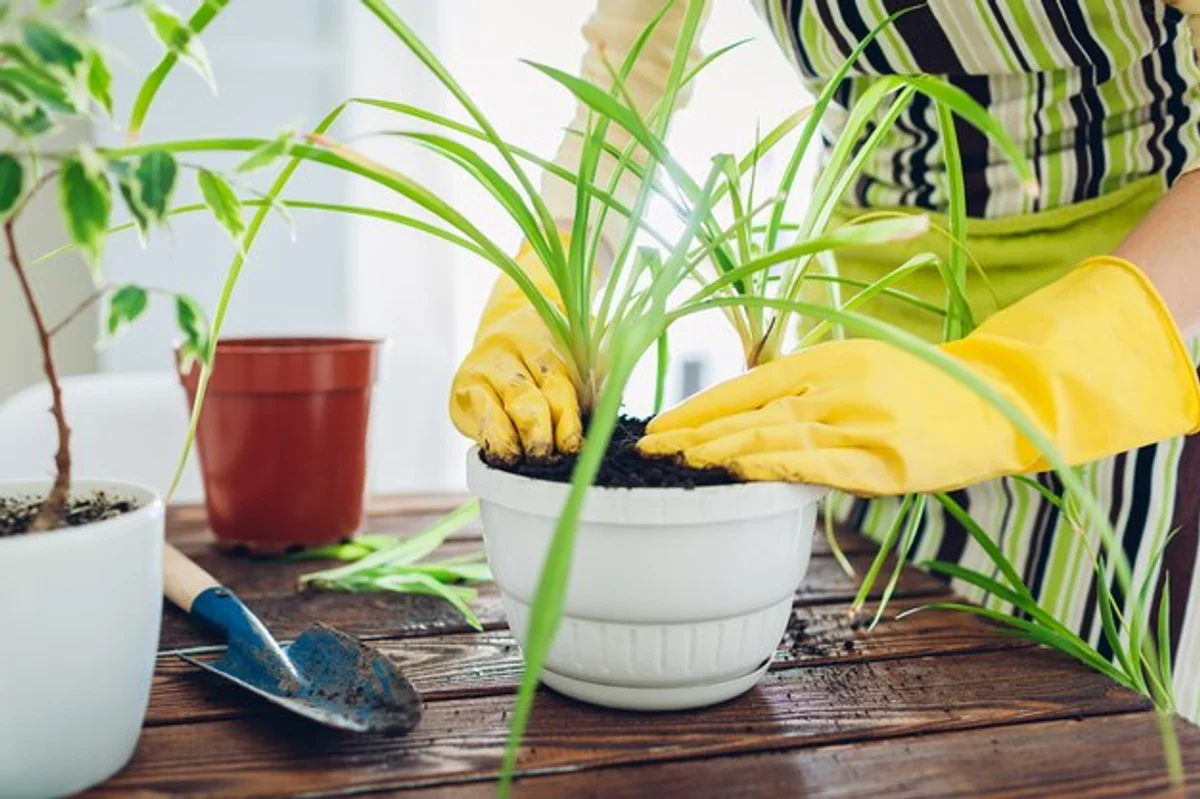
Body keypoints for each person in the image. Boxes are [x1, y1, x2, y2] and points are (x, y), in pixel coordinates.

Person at [450, 1, 1200, 717]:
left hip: (1115, 318)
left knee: (1053, 713)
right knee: (863, 681)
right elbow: (629, 81)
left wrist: (1010, 383)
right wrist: (546, 287)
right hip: (861, 309)